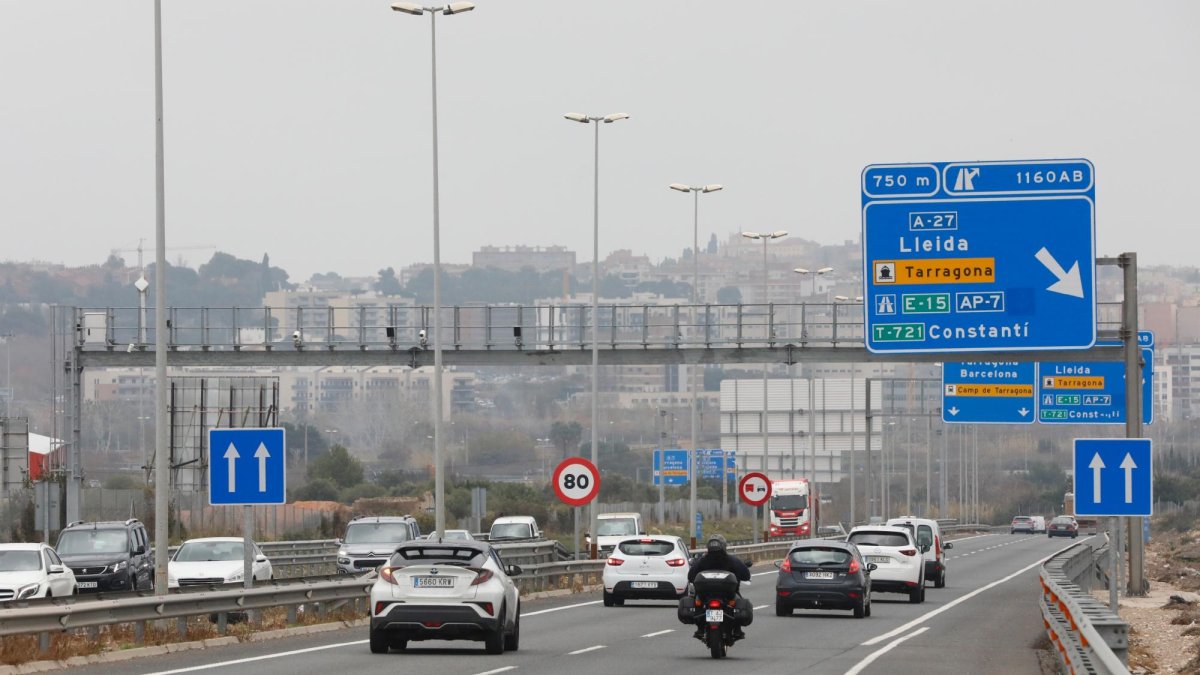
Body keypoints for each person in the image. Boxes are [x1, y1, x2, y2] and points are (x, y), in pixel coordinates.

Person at [685, 534, 752, 639]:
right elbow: (746, 575)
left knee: (698, 602)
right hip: (727, 594)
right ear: (724, 546)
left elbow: (690, 576)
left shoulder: (702, 560)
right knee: (737, 601)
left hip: (706, 595)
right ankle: (737, 629)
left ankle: (700, 629)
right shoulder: (732, 560)